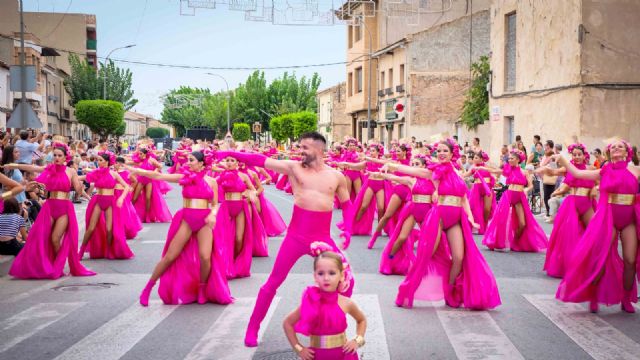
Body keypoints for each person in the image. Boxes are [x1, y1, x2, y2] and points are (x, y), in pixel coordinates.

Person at [216, 131, 355, 347]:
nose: (300, 151)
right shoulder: (293, 167)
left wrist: (348, 228)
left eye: (304, 148)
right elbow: (259, 160)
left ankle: (333, 323)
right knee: (273, 282)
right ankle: (253, 327)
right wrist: (228, 152)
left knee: (346, 280)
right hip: (296, 237)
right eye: (299, 147)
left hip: (323, 237)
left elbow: (346, 204)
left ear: (319, 150)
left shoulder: (336, 176)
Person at [390, 139, 500, 310]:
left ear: (452, 154)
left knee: (458, 257)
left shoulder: (457, 173)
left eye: (444, 151)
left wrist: (471, 218)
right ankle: (407, 289)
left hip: (456, 219)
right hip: (439, 217)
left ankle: (449, 291)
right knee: (426, 255)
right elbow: (415, 171)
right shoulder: (434, 172)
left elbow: (463, 198)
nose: (441, 153)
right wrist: (392, 167)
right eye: (438, 151)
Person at [135, 151, 232, 306]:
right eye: (188, 160)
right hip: (187, 219)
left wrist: (213, 214)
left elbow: (214, 204)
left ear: (201, 164)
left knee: (205, 257)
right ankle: (148, 288)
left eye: (191, 160)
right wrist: (140, 171)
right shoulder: (184, 177)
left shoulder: (212, 181)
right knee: (170, 255)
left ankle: (202, 289)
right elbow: (159, 176)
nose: (188, 163)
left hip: (204, 221)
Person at [555, 139, 639, 313]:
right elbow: (578, 174)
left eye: (620, 146)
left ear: (626, 152)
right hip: (608, 219)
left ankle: (626, 299)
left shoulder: (635, 170)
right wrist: (563, 161)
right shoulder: (604, 170)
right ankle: (594, 295)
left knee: (630, 260)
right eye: (613, 146)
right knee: (601, 258)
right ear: (609, 152)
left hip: (629, 219)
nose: (616, 148)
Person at [8, 142, 96, 279]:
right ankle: (49, 265)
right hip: (50, 206)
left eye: (59, 155)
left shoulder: (71, 171)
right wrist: (14, 165)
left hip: (64, 207)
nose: (56, 157)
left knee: (55, 238)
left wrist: (84, 186)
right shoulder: (49, 168)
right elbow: (32, 167)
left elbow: (78, 189)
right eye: (54, 155)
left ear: (65, 157)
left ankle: (58, 265)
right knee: (41, 236)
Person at [283, 246, 366, 360]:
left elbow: (361, 320)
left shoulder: (346, 303)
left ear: (341, 275)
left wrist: (357, 340)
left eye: (332, 273)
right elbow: (287, 323)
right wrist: (299, 348)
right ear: (315, 276)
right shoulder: (311, 301)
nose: (326, 278)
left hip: (344, 355)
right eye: (321, 273)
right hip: (317, 356)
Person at [537, 144, 597, 278]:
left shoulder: (590, 168)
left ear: (584, 155)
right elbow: (553, 173)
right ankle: (568, 266)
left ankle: (591, 265)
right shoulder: (568, 168)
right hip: (573, 203)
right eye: (574, 155)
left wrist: (595, 188)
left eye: (579, 154)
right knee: (569, 235)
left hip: (587, 203)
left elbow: (600, 180)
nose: (576, 157)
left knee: (594, 231)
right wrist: (545, 168)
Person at [480, 150, 548, 252]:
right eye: (509, 158)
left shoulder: (525, 172)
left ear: (518, 160)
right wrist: (483, 168)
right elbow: (497, 171)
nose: (510, 160)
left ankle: (515, 242)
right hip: (509, 195)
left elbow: (531, 185)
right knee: (501, 219)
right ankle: (494, 241)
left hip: (519, 196)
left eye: (512, 158)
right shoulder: (509, 170)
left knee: (522, 223)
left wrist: (526, 189)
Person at [375, 156, 434, 275]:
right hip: (412, 210)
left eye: (417, 164)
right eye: (413, 164)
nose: (414, 166)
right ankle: (389, 260)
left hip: (427, 211)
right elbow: (394, 177)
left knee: (428, 241)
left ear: (423, 166)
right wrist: (380, 174)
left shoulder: (432, 179)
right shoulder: (410, 180)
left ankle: (425, 267)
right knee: (402, 237)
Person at [78, 152, 133, 260]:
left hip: (111, 201)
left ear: (107, 162)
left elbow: (127, 186)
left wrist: (121, 198)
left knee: (109, 229)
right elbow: (82, 177)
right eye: (98, 160)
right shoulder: (96, 172)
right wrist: (71, 177)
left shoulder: (114, 173)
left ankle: (108, 250)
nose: (98, 162)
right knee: (91, 228)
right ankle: (81, 251)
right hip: (98, 200)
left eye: (100, 160)